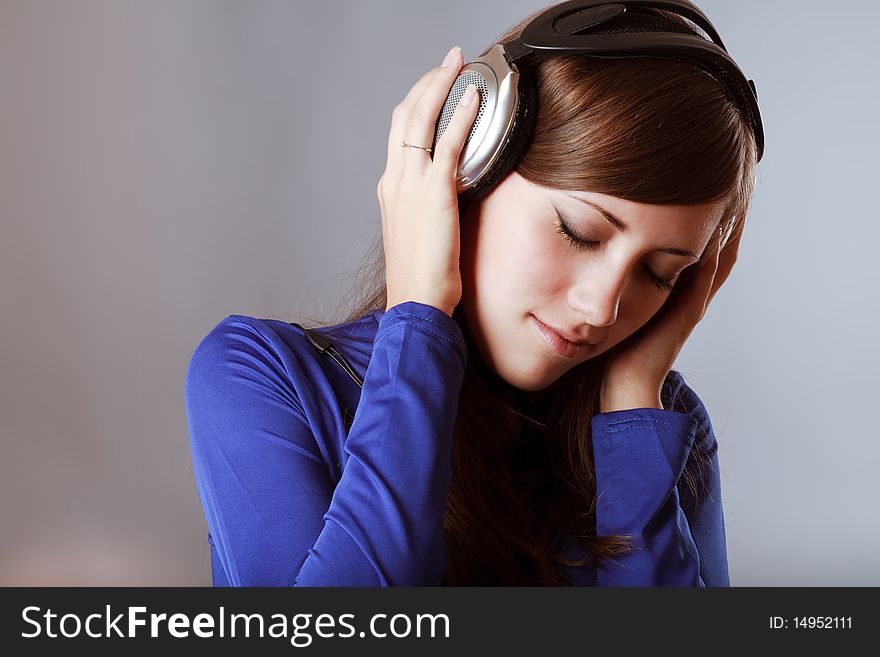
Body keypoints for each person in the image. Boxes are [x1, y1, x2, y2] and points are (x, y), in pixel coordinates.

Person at [185, 0, 761, 586]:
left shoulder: (658, 425)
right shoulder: (261, 377)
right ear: (468, 164)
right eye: (578, 232)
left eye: (659, 273)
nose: (601, 308)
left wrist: (635, 400)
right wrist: (419, 316)